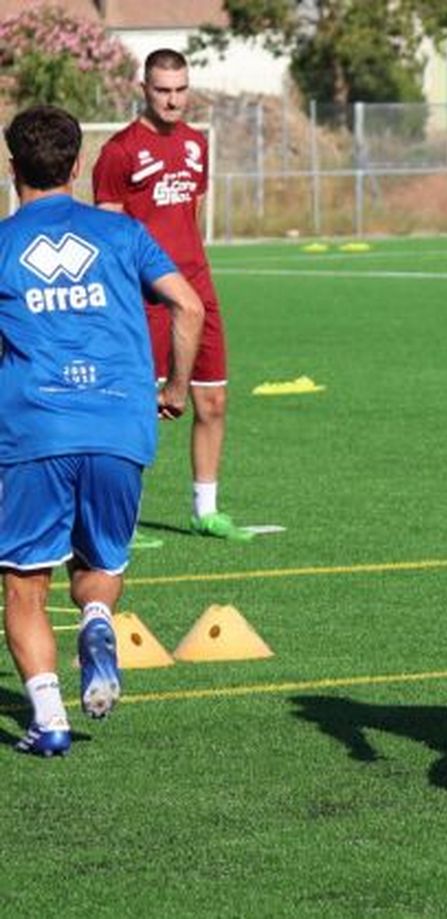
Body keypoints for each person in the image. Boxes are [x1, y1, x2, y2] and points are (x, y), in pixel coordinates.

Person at [1, 104, 203, 756]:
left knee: (25, 583)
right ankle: (96, 621)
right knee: (98, 563)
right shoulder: (122, 234)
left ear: (11, 168)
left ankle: (50, 719)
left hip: (35, 429)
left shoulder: (3, 244)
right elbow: (188, 304)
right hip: (119, 421)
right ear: (78, 164)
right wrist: (174, 389)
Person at [93, 48, 251, 542]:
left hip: (197, 287)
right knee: (139, 408)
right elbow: (110, 229)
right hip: (143, 294)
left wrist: (189, 270)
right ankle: (121, 517)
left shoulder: (195, 144)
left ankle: (206, 510)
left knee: (214, 401)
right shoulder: (118, 151)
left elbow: (193, 213)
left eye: (181, 90)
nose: (173, 100)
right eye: (163, 90)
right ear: (144, 89)